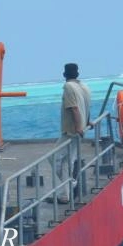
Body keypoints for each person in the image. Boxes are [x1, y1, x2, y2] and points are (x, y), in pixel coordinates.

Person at [52, 62, 92, 203]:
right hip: (79, 131)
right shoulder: (84, 87)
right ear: (78, 74)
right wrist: (87, 122)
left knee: (54, 158)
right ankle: (65, 195)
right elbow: (86, 106)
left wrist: (78, 127)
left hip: (70, 132)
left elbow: (75, 108)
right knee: (67, 162)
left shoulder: (68, 87)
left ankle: (71, 183)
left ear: (64, 74)